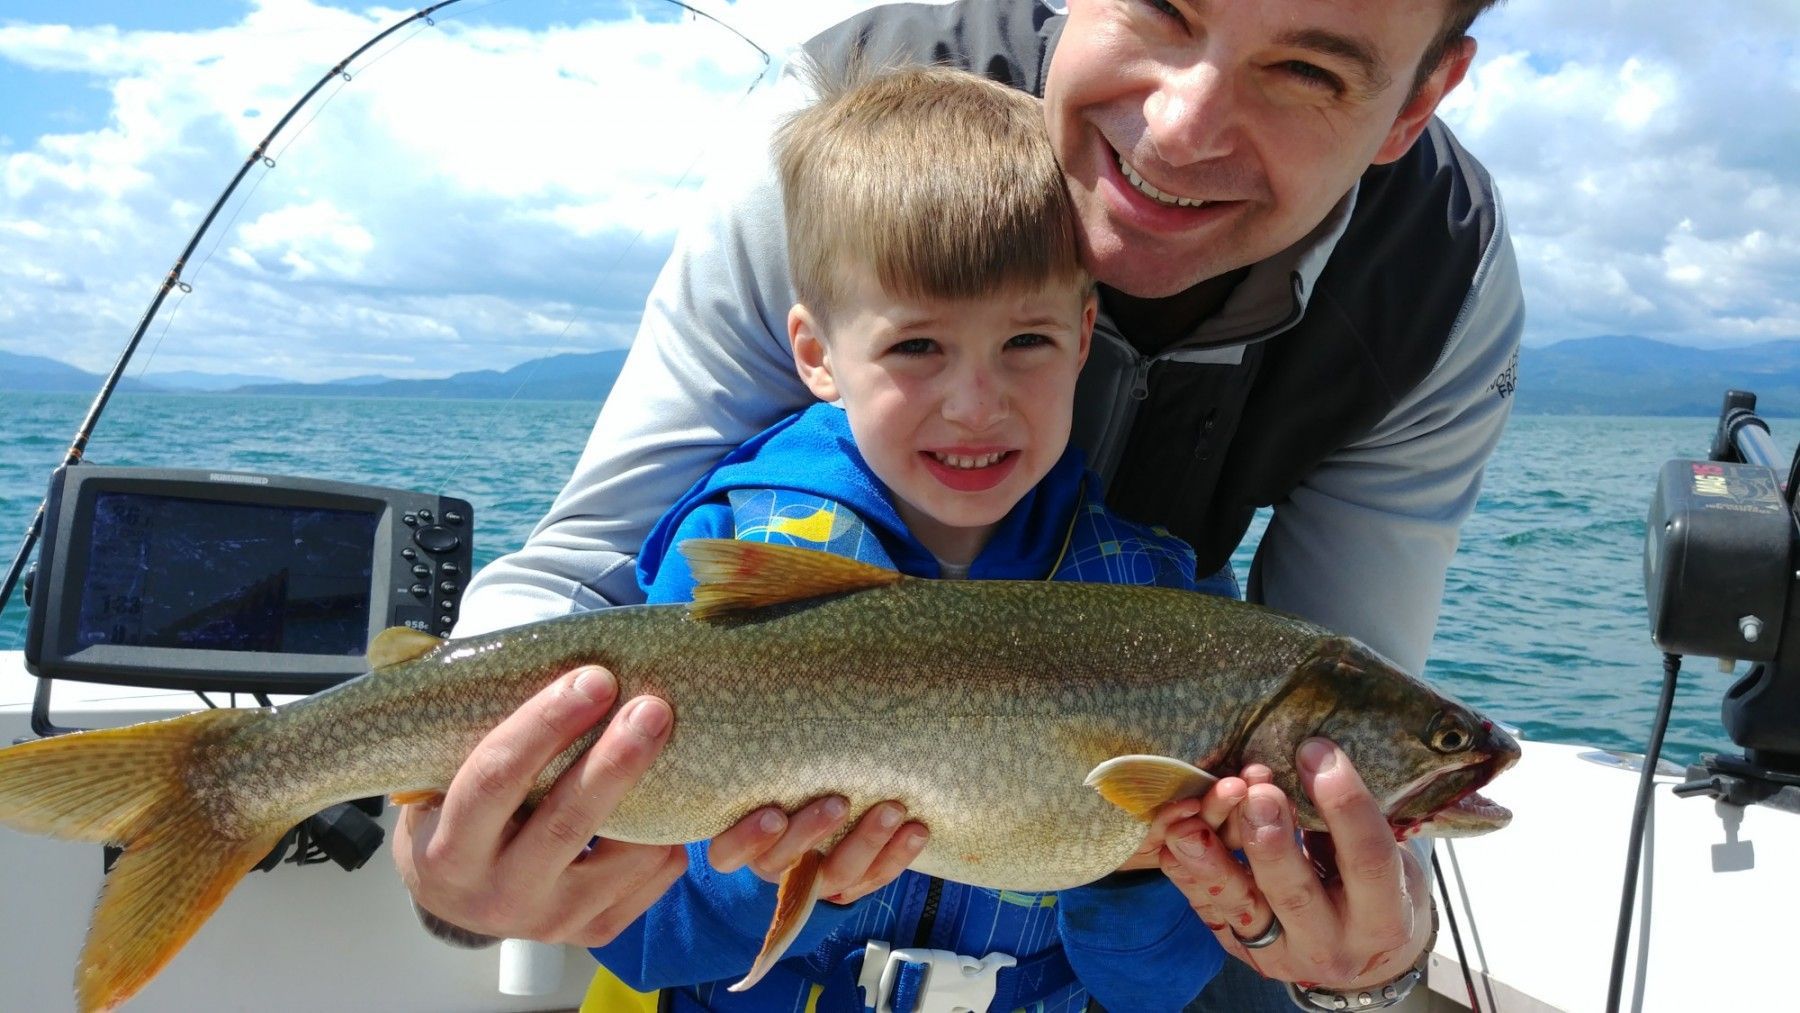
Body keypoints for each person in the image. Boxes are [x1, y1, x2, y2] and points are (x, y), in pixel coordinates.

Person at [394, 1, 1522, 1011]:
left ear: (1419, 97)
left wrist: (1362, 949)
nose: (1180, 131)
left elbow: (1344, 681)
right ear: (816, 351)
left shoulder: (1441, 280)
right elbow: (591, 560)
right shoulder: (830, 123)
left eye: (1308, 72)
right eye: (1160, 8)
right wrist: (459, 845)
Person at [584, 62, 1233, 1011]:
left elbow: (1158, 988)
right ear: (816, 354)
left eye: (1027, 343)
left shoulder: (1166, 613)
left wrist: (1132, 868)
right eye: (917, 347)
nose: (976, 404)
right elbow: (640, 943)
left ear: (1085, 334)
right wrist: (759, 872)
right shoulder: (719, 558)